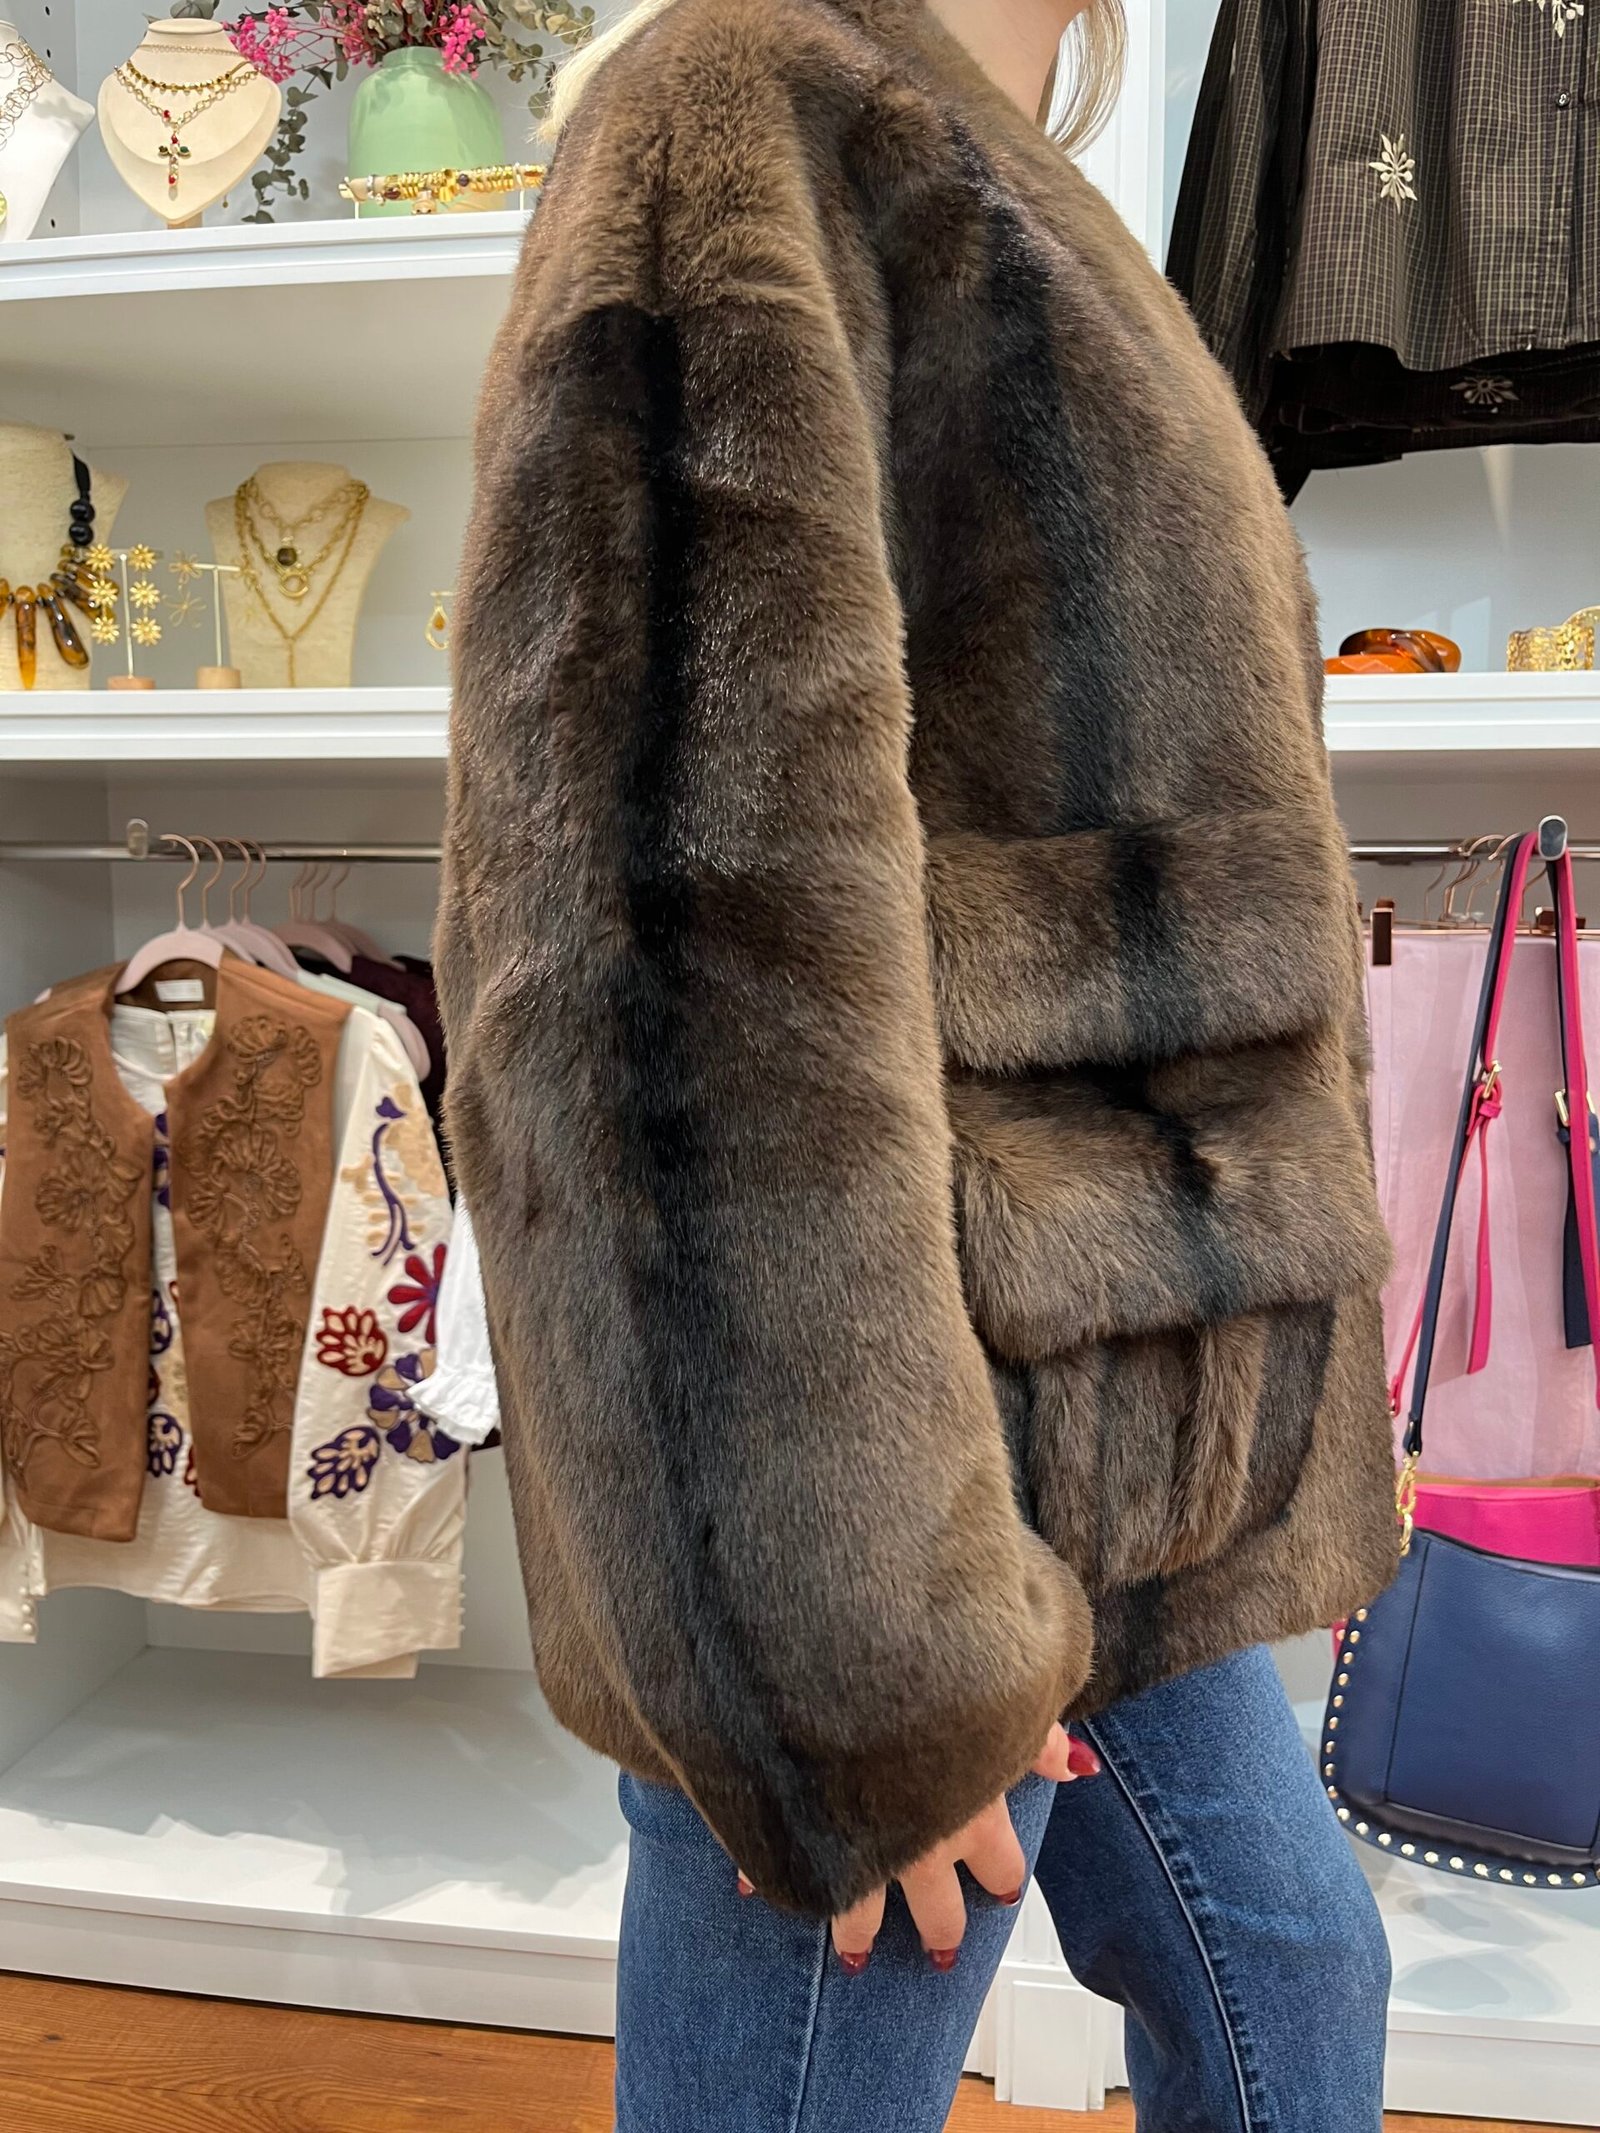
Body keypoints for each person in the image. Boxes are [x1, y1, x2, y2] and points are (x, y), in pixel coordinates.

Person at [436, 0, 1398, 2124]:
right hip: (886, 1434)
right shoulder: (736, 112)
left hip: (1112, 1394)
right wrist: (842, 1658)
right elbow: (660, 938)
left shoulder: (1013, 171)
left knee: (1294, 1976)